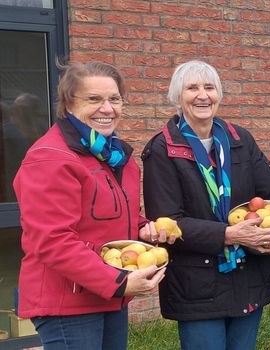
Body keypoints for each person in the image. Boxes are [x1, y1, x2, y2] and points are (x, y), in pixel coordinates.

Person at [142, 60, 270, 350]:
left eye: (209, 87)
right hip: (197, 284)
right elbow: (167, 222)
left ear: (219, 94)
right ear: (177, 97)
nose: (202, 95)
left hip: (247, 274)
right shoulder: (162, 148)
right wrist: (230, 234)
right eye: (192, 88)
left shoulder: (238, 139)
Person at [14, 61, 167, 349]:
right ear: (69, 104)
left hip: (106, 294)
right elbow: (52, 240)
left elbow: (115, 215)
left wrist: (144, 228)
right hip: (67, 302)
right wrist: (118, 281)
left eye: (114, 99)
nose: (107, 109)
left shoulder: (114, 155)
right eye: (94, 99)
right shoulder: (51, 157)